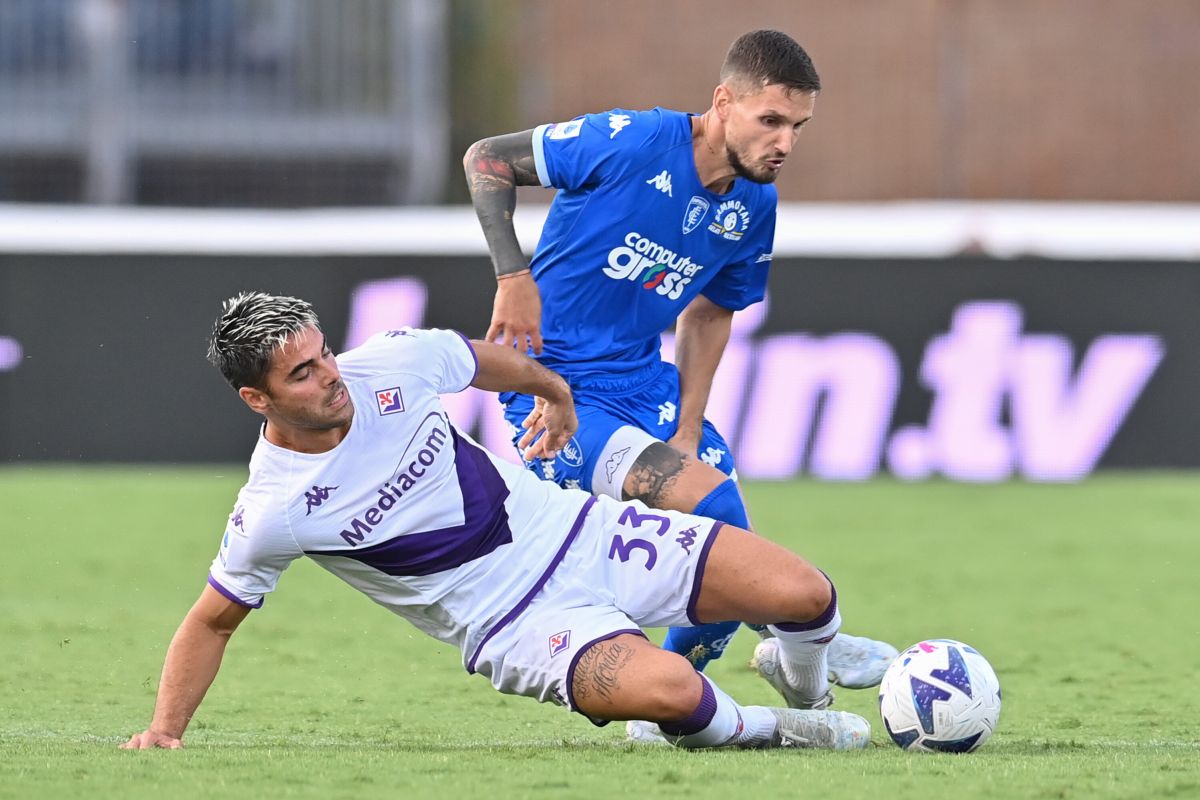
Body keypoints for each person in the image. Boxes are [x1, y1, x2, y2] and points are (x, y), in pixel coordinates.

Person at [121, 292, 871, 752]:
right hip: (513, 624)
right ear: (258, 400)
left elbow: (484, 362)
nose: (331, 378)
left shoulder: (393, 362)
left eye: (323, 356)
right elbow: (212, 621)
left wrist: (555, 394)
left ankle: (810, 692)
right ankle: (770, 730)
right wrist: (166, 729)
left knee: (805, 593)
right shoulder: (274, 508)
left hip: (583, 533)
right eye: (303, 374)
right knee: (677, 693)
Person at [462, 28, 896, 703]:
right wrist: (512, 276)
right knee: (714, 510)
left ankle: (696, 693)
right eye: (771, 120)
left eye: (798, 126)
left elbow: (711, 312)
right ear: (724, 102)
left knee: (728, 541)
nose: (785, 142)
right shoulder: (633, 140)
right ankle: (815, 642)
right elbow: (486, 159)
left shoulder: (754, 203)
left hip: (643, 384)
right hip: (555, 397)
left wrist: (689, 427)